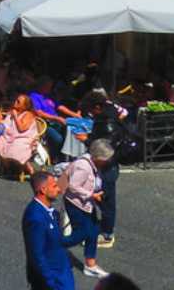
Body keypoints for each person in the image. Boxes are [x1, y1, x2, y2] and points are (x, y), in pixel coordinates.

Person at [64, 139, 114, 279]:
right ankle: (55, 245)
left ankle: (90, 265)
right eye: (106, 158)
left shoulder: (92, 164)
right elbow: (73, 186)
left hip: (87, 203)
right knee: (81, 234)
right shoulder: (83, 167)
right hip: (76, 204)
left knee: (93, 231)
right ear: (99, 157)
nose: (108, 161)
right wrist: (91, 194)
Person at [81, 91, 123, 248]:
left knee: (106, 200)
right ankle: (105, 227)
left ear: (97, 107)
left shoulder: (106, 122)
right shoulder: (108, 116)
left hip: (107, 165)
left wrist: (87, 140)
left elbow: (104, 147)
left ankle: (107, 235)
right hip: (109, 164)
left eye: (92, 110)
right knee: (104, 197)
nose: (91, 114)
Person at [23, 171, 74, 290]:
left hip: (62, 273)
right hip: (53, 279)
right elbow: (37, 254)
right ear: (43, 190)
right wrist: (51, 283)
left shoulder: (49, 211)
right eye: (54, 186)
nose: (59, 190)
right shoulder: (35, 218)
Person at [0, 94, 41, 177]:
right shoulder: (12, 112)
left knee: (17, 146)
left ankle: (28, 167)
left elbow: (21, 129)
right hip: (11, 137)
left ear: (24, 106)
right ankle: (7, 166)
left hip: (25, 138)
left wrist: (15, 116)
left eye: (18, 102)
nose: (15, 102)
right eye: (16, 100)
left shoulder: (28, 114)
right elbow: (6, 125)